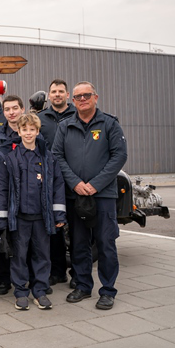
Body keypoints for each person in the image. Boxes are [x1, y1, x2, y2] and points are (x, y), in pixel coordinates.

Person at [53, 81, 127, 310]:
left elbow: (119, 156)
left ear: (96, 97)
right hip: (75, 196)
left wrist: (95, 184)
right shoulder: (65, 126)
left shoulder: (109, 124)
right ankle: (83, 286)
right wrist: (75, 183)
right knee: (78, 244)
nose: (83, 99)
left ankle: (108, 291)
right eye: (78, 96)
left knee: (105, 243)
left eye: (87, 95)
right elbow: (57, 156)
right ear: (73, 101)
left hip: (103, 196)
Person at [0, 113, 67, 311]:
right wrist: (2, 219)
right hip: (19, 218)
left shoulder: (48, 158)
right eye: (24, 129)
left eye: (32, 129)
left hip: (42, 218)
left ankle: (40, 291)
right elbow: (2, 189)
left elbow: (58, 186)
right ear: (18, 132)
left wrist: (59, 214)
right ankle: (20, 293)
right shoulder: (10, 159)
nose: (28, 133)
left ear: (37, 131)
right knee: (19, 256)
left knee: (42, 255)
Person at [0, 95, 28, 296]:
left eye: (15, 108)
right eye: (7, 109)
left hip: (26, 195)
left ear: (22, 109)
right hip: (3, 194)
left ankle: (26, 279)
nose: (11, 112)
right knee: (4, 238)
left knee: (26, 241)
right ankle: (4, 279)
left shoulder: (30, 134)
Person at [37, 79, 76, 287]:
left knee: (77, 231)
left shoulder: (78, 115)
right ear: (49, 95)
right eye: (54, 91)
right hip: (49, 182)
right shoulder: (40, 118)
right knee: (53, 229)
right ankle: (57, 271)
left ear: (67, 95)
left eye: (61, 91)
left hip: (74, 180)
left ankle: (77, 274)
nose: (57, 94)